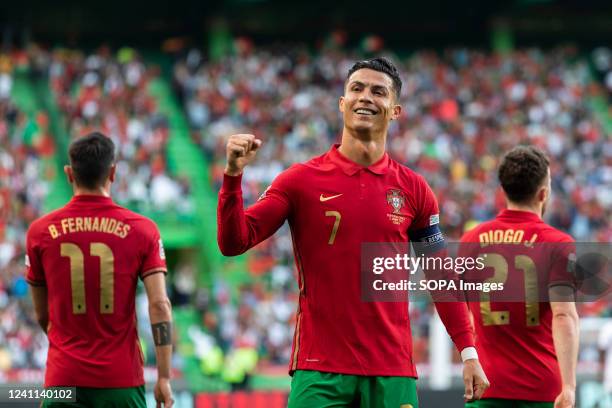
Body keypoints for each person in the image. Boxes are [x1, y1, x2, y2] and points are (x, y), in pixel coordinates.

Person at [218, 57, 489, 407]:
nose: (365, 97)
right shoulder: (300, 180)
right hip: (320, 370)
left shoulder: (414, 189)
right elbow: (233, 242)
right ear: (342, 103)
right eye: (356, 89)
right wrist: (232, 177)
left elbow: (441, 277)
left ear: (395, 111)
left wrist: (469, 352)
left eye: (379, 91)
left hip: (391, 369)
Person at [26, 132, 174, 408]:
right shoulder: (143, 230)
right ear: (113, 172)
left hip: (63, 380)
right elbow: (160, 305)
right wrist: (164, 376)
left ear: (69, 174)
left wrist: (68, 348)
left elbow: (41, 314)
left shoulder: (40, 232)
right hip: (120, 380)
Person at [461, 146, 579, 408]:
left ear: (503, 191)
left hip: (486, 389)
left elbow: (464, 314)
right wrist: (569, 386)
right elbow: (564, 315)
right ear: (543, 193)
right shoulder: (557, 243)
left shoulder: (471, 241)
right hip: (542, 391)